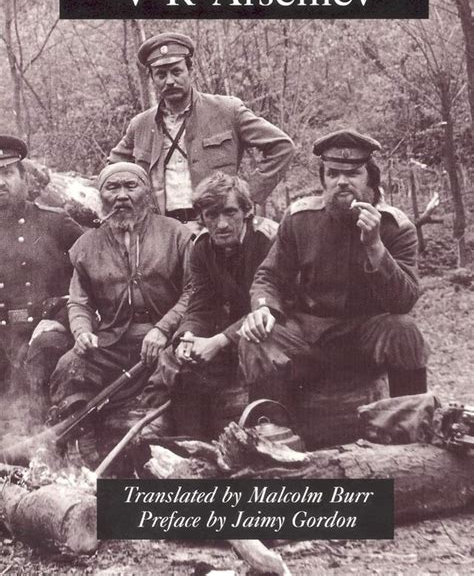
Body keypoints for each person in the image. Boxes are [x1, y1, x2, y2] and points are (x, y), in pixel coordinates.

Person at [238, 129, 428, 406]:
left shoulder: (395, 227)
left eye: (352, 174)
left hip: (365, 335)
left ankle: (412, 420)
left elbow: (404, 301)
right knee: (257, 337)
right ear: (323, 180)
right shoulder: (300, 219)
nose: (342, 182)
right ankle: (270, 425)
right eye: (333, 173)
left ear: (371, 181)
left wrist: (375, 246)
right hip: (308, 335)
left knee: (404, 331)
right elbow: (269, 276)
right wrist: (264, 308)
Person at [50, 162, 192, 463]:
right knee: (70, 366)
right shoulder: (86, 245)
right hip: (114, 341)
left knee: (182, 373)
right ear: (101, 196)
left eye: (131, 186)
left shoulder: (176, 234)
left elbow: (195, 292)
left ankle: (161, 444)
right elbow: (79, 301)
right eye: (112, 188)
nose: (122, 196)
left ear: (147, 193)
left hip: (170, 338)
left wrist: (164, 328)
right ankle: (83, 446)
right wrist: (82, 332)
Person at [108, 31, 295, 228]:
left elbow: (282, 146)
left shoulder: (227, 110)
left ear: (191, 70)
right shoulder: (141, 124)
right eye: (161, 74)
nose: (169, 81)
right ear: (152, 78)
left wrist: (247, 194)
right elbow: (112, 169)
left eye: (176, 72)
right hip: (162, 230)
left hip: (217, 228)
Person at [143, 172, 278, 437]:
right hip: (233, 327)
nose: (222, 224)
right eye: (212, 215)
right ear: (202, 218)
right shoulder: (202, 248)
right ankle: (187, 442)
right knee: (175, 355)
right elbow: (201, 304)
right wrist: (188, 335)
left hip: (272, 325)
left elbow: (278, 303)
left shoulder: (268, 240)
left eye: (230, 212)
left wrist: (219, 341)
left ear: (247, 211)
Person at [0, 135, 83, 420]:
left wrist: (63, 319)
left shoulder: (55, 222)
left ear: (24, 178)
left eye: (7, 173)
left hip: (47, 331)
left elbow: (97, 273)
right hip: (3, 336)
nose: (0, 183)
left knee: (45, 353)